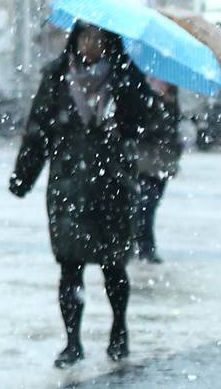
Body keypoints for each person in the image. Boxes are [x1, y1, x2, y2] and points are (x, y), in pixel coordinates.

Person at [9, 23, 152, 367]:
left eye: (99, 39)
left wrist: (124, 119)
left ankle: (119, 329)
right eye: (85, 37)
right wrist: (23, 176)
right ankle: (72, 341)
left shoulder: (125, 77)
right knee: (69, 267)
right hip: (69, 183)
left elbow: (147, 119)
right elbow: (37, 129)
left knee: (113, 266)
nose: (91, 45)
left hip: (112, 184)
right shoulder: (57, 76)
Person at [132, 77, 182, 263]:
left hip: (162, 163)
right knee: (146, 206)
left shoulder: (171, 100)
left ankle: (142, 245)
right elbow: (143, 128)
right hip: (145, 162)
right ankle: (145, 247)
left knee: (149, 205)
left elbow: (172, 131)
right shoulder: (145, 98)